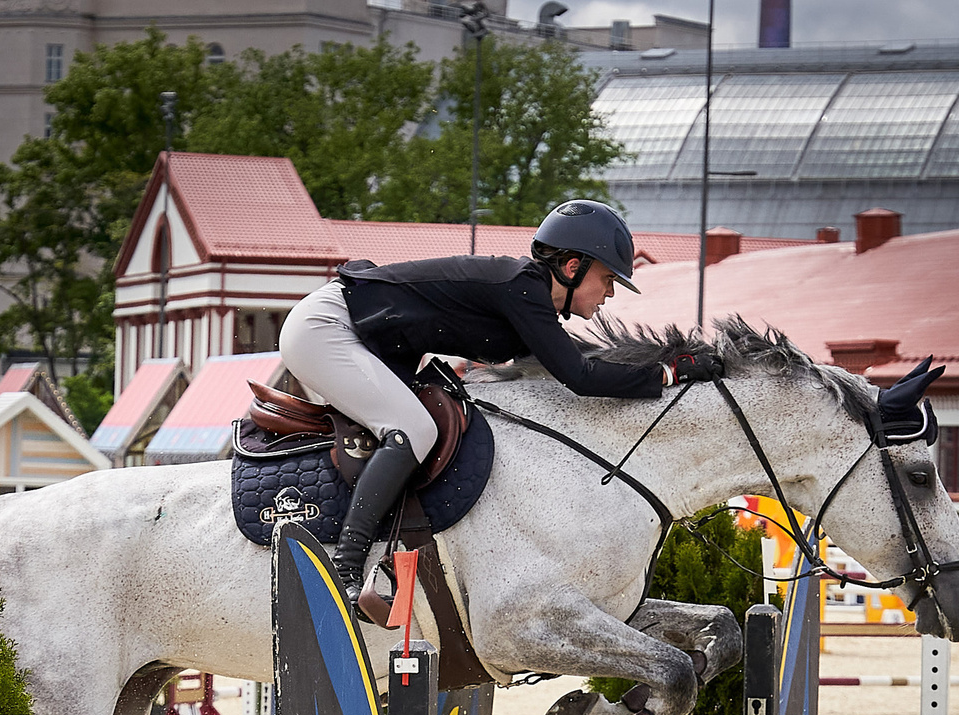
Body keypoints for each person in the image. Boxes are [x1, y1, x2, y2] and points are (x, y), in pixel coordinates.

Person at [280, 200, 717, 594]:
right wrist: (670, 372)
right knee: (413, 428)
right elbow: (581, 377)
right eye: (607, 279)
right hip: (325, 328)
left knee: (423, 424)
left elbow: (580, 363)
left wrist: (668, 366)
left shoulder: (526, 298)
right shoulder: (522, 287)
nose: (610, 293)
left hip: (357, 336)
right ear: (571, 267)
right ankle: (345, 567)